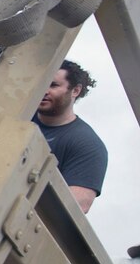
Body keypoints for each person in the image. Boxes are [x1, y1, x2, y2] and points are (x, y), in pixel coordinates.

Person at [34, 59, 108, 213]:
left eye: (53, 85)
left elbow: (78, 205)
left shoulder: (87, 144)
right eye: (43, 83)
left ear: (75, 91)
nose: (44, 90)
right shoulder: (18, 116)